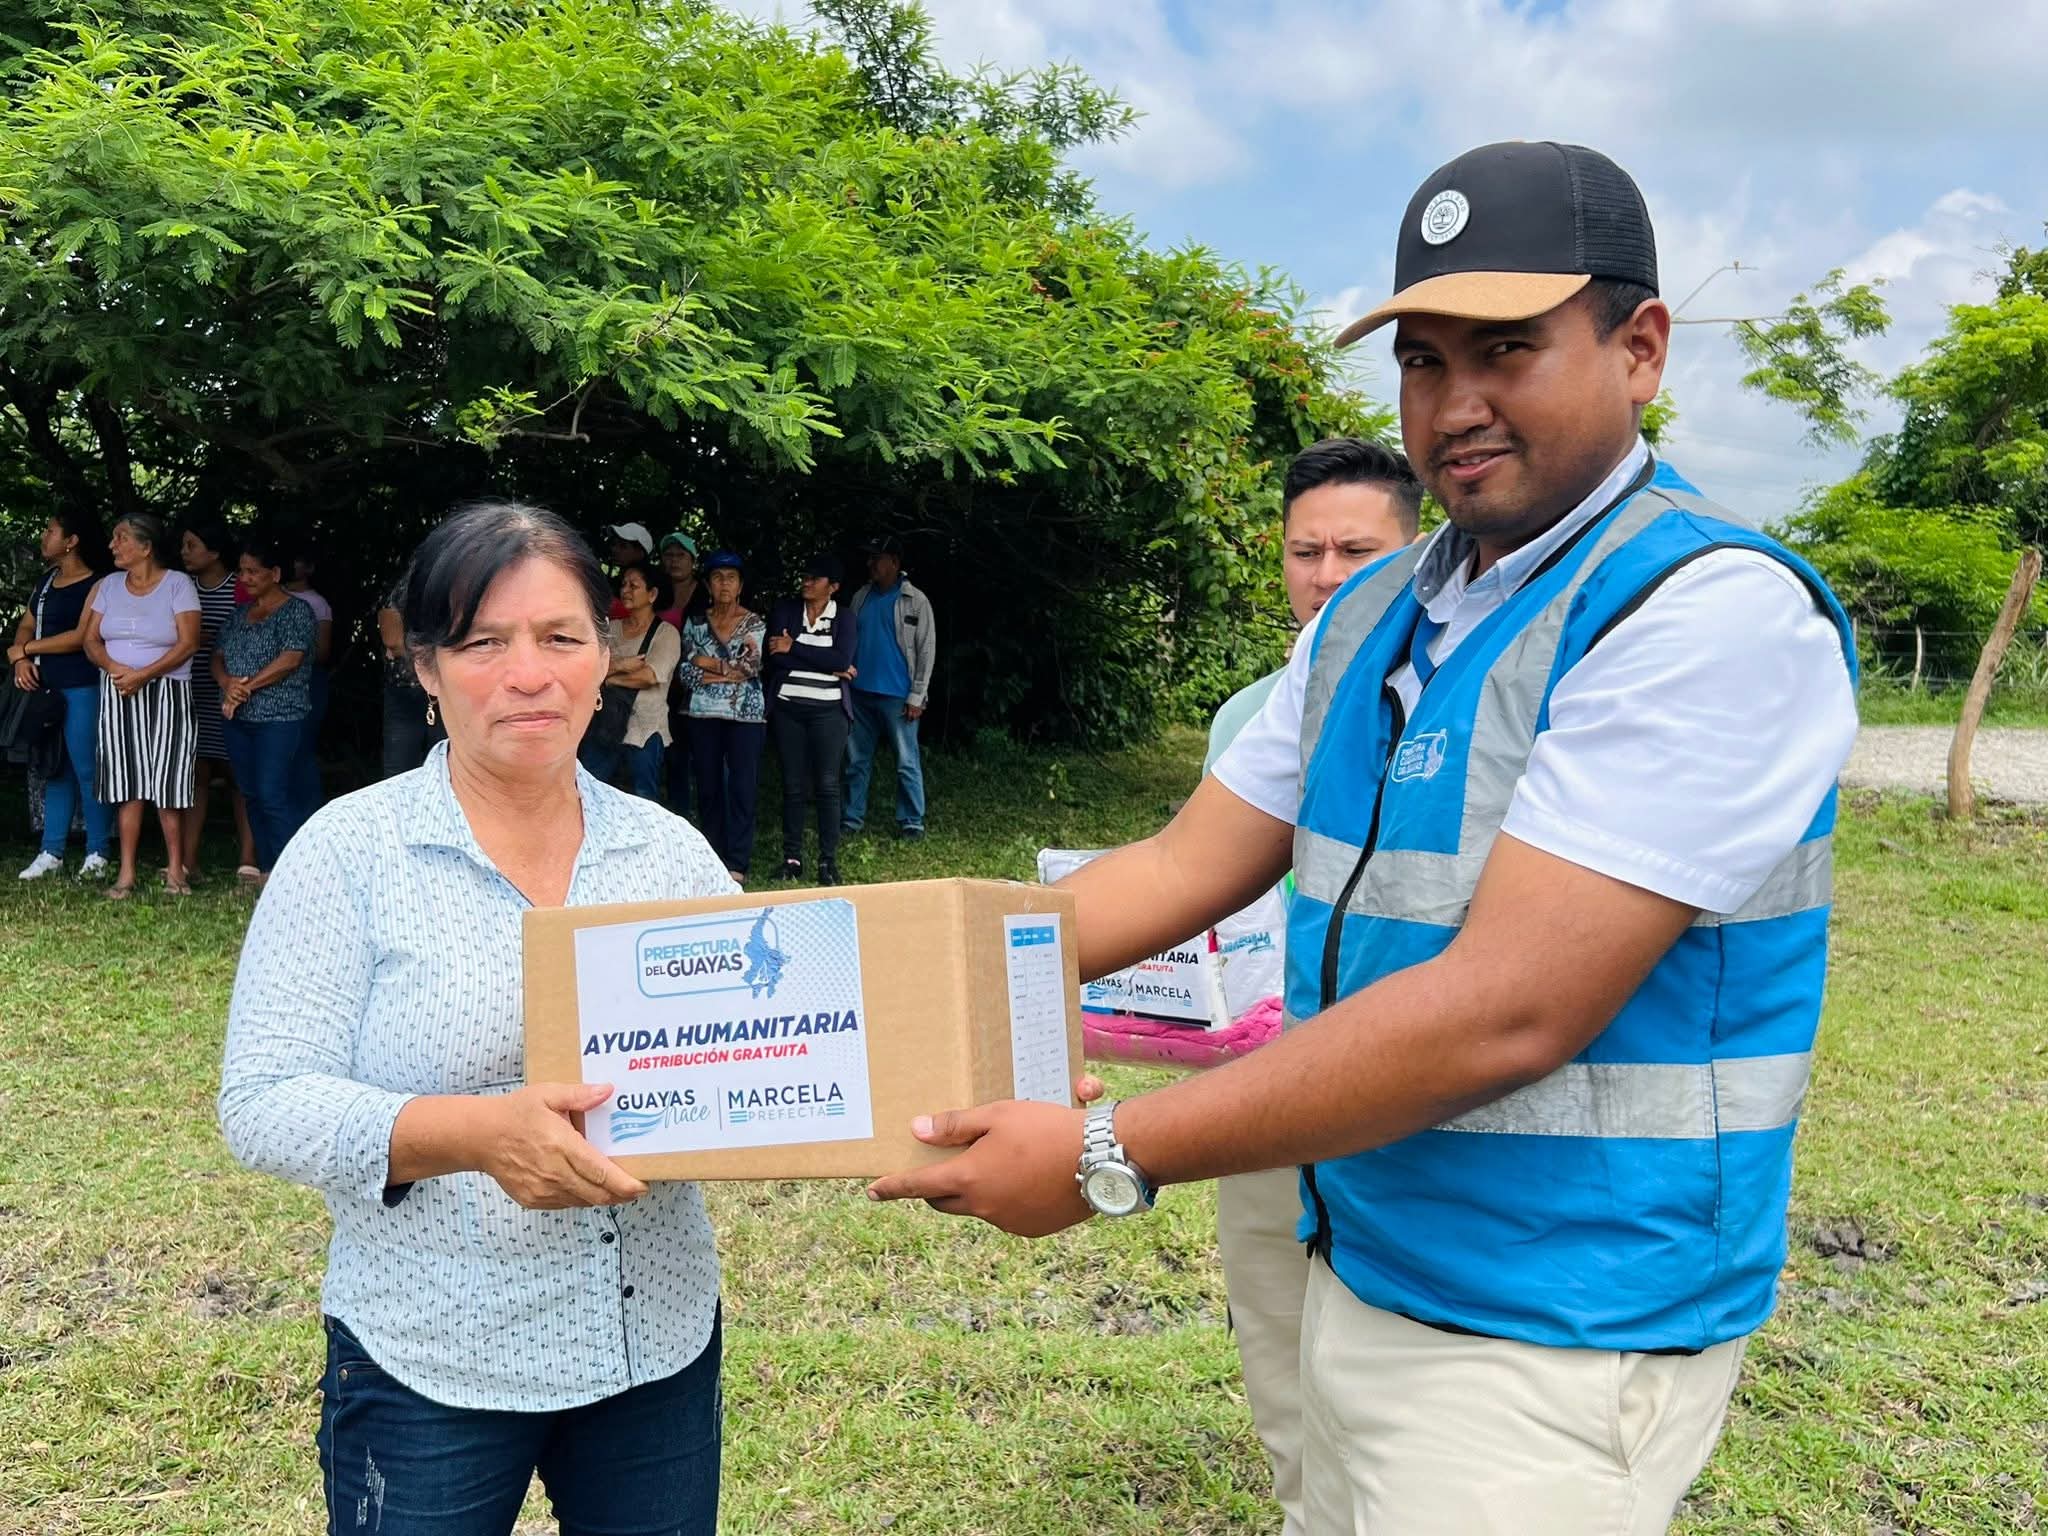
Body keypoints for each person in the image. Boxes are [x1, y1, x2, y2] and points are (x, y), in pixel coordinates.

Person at [869, 142, 1861, 1535]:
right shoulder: (1373, 612)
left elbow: (1504, 1009)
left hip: (1553, 1320)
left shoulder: (1704, 611)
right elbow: (1181, 866)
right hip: (1357, 1250)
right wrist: (874, 983)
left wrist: (1109, 1153)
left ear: (1638, 349)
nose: (1453, 406)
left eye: (1505, 349)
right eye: (1420, 361)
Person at [219, 500, 728, 1536]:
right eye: (483, 643)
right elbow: (263, 1102)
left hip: (656, 1336)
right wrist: (475, 1135)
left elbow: (780, 1047)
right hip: (430, 1352)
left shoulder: (670, 854)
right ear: (425, 666)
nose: (528, 674)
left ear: (605, 654)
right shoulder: (350, 853)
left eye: (560, 638)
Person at [1201, 437, 1421, 1536]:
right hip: (1259, 1075)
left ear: (1418, 553)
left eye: (1356, 551)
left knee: (1391, 1374)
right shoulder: (1249, 716)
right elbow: (1197, 888)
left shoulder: (1457, 707)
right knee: (1276, 1333)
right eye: (1305, 551)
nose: (1327, 575)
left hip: (1401, 1083)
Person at [81, 513, 203, 898]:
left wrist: (143, 674)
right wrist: (115, 668)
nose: (112, 545)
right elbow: (90, 640)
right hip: (119, 690)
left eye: (121, 538)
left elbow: (189, 642)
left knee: (168, 781)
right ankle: (126, 874)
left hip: (168, 691)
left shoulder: (178, 584)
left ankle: (176, 872)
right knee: (127, 781)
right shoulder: (109, 586)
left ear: (146, 547)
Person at [11, 511, 112, 880]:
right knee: (55, 768)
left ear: (72, 541)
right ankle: (51, 852)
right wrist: (21, 659)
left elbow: (80, 637)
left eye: (50, 531)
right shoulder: (46, 581)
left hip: (83, 685)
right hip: (45, 688)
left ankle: (98, 852)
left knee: (87, 768)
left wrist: (26, 649)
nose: (44, 536)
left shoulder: (98, 584)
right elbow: (26, 624)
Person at [212, 537, 318, 877]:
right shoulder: (239, 615)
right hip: (237, 718)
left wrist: (245, 687)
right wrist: (228, 684)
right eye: (242, 571)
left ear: (275, 573)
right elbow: (217, 657)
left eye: (253, 571)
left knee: (274, 793)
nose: (245, 578)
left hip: (280, 718)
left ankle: (292, 871)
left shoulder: (297, 611)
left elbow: (291, 659)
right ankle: (268, 869)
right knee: (252, 794)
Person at [764, 554, 858, 884]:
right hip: (788, 708)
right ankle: (792, 858)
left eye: (815, 578)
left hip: (829, 712)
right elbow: (775, 659)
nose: (806, 582)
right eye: (805, 575)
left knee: (828, 785)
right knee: (793, 785)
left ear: (833, 587)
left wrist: (794, 647)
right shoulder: (786, 611)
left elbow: (842, 658)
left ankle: (827, 861)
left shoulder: (844, 618)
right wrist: (828, 665)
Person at [678, 551, 765, 884]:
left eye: (731, 578)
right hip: (701, 714)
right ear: (708, 585)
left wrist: (705, 662)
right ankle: (713, 856)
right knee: (708, 785)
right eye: (717, 577)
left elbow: (749, 668)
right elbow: (685, 672)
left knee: (742, 786)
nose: (724, 584)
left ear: (740, 585)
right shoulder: (695, 622)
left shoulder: (754, 623)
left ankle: (738, 861)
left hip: (746, 716)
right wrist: (725, 669)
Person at [842, 536, 936, 839]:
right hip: (859, 693)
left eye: (877, 558)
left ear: (894, 562)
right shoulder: (861, 596)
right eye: (869, 558)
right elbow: (849, 639)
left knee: (906, 761)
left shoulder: (915, 600)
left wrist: (917, 696)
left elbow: (926, 650)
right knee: (856, 760)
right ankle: (852, 818)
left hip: (898, 695)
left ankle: (912, 821)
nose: (870, 563)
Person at [181, 521, 259, 883]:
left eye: (192, 545)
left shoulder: (239, 588)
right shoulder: (183, 587)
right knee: (196, 772)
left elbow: (250, 629)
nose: (184, 553)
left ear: (214, 552)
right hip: (191, 687)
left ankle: (248, 859)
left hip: (232, 687)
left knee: (237, 774)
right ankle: (188, 860)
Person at [599, 565, 682, 803]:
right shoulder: (611, 629)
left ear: (652, 594)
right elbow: (591, 667)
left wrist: (608, 678)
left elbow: (649, 676)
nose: (625, 590)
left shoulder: (666, 634)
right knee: (592, 790)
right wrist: (623, 664)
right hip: (605, 725)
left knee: (643, 797)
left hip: (645, 727)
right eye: (624, 584)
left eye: (633, 586)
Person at [657, 532, 710, 814]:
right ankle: (680, 810)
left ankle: (710, 807)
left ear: (693, 560)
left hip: (700, 681)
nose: (674, 561)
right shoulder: (656, 591)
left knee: (704, 751)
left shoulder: (707, 593)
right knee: (674, 750)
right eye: (669, 555)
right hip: (662, 681)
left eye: (681, 555)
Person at [284, 544, 335, 815]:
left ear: (310, 569)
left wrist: (288, 655)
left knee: (301, 748)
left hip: (307, 682)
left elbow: (322, 651)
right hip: (276, 684)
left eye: (298, 561)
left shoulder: (317, 604)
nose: (292, 566)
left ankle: (309, 813)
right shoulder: (272, 597)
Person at [377, 573, 445, 778]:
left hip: (440, 688)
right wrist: (440, 649)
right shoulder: (401, 589)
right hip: (408, 689)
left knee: (447, 762)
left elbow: (396, 645)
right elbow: (394, 642)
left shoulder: (453, 586)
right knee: (401, 767)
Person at [605, 522, 656, 619]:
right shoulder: (615, 582)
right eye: (614, 544)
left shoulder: (654, 583)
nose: (615, 549)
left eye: (623, 546)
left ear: (640, 553)